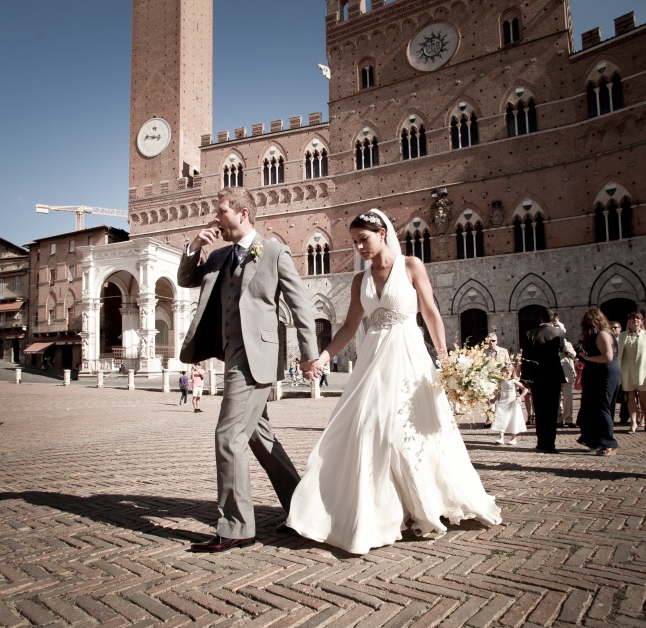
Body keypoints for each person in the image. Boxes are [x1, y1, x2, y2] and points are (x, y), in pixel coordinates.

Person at [286, 209, 501, 555]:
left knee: (414, 428)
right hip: (374, 358)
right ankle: (379, 509)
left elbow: (430, 312)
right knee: (370, 425)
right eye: (354, 242)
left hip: (409, 354)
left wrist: (445, 359)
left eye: (364, 239)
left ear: (382, 233)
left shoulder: (412, 265)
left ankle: (421, 505)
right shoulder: (360, 281)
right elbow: (349, 327)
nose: (359, 247)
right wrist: (324, 358)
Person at [178, 187, 319, 553]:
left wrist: (308, 355)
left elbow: (301, 306)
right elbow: (186, 279)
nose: (215, 218)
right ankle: (304, 509)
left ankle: (237, 527)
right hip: (231, 356)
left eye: (221, 211)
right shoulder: (220, 255)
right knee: (259, 437)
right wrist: (195, 246)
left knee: (228, 435)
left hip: (256, 360)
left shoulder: (273, 251)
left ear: (242, 213)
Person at [520, 308, 567, 454]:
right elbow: (560, 349)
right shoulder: (559, 333)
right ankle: (550, 444)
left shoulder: (531, 334)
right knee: (552, 410)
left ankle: (542, 443)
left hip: (537, 377)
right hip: (553, 376)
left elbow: (525, 358)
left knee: (540, 410)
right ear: (553, 319)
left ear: (540, 318)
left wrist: (525, 378)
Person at [577, 309, 621, 456]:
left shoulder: (603, 334)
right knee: (594, 406)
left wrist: (586, 357)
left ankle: (608, 442)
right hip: (599, 372)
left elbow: (607, 357)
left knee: (603, 406)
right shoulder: (604, 333)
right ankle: (594, 439)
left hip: (605, 373)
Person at [617, 311, 646, 434]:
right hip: (627, 370)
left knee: (643, 396)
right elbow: (620, 354)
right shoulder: (623, 335)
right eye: (632, 319)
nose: (635, 320)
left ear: (641, 321)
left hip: (643, 369)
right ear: (629, 322)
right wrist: (617, 370)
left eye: (638, 319)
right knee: (630, 397)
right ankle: (633, 422)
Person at [491, 363, 527, 445]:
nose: (507, 373)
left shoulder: (513, 381)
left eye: (508, 372)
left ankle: (513, 438)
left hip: (512, 402)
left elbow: (525, 389)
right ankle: (501, 437)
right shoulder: (501, 382)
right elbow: (500, 392)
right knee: (501, 418)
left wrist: (520, 397)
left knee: (513, 418)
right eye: (505, 372)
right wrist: (494, 399)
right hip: (503, 402)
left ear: (512, 372)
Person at [557, 338, 577, 427]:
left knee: (568, 396)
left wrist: (569, 351)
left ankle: (569, 419)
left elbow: (575, 357)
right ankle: (558, 419)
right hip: (555, 373)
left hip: (567, 374)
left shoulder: (568, 343)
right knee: (556, 398)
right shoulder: (549, 342)